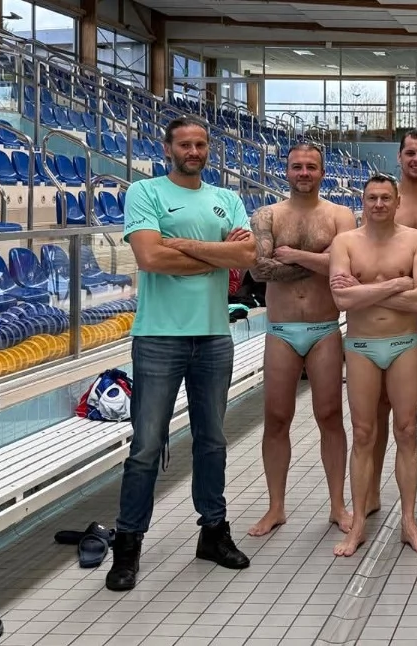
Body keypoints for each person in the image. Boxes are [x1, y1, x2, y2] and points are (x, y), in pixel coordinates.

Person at [107, 116, 257, 592]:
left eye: (201, 144)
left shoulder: (227, 198)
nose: (194, 151)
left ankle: (213, 532)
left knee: (212, 440)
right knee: (147, 445)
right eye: (185, 144)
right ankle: (128, 542)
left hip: (213, 335)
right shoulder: (145, 192)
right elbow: (150, 258)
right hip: (159, 337)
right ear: (168, 148)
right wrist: (216, 255)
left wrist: (186, 247)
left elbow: (246, 258)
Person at [246, 143, 357, 538]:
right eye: (297, 166)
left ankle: (338, 505)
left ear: (323, 172)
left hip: (324, 328)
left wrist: (291, 255)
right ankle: (276, 507)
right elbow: (258, 271)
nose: (304, 173)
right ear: (287, 171)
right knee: (277, 419)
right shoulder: (268, 215)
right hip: (281, 331)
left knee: (330, 416)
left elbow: (347, 267)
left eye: (311, 166)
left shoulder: (340, 215)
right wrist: (321, 259)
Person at [328, 175, 417, 557]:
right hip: (361, 346)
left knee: (407, 431)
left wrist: (363, 291)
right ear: (362, 201)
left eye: (385, 198)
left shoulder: (416, 241)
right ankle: (358, 522)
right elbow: (341, 300)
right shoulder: (345, 243)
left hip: (404, 344)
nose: (378, 204)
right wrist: (394, 285)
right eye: (372, 198)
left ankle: (408, 521)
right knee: (362, 433)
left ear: (397, 201)